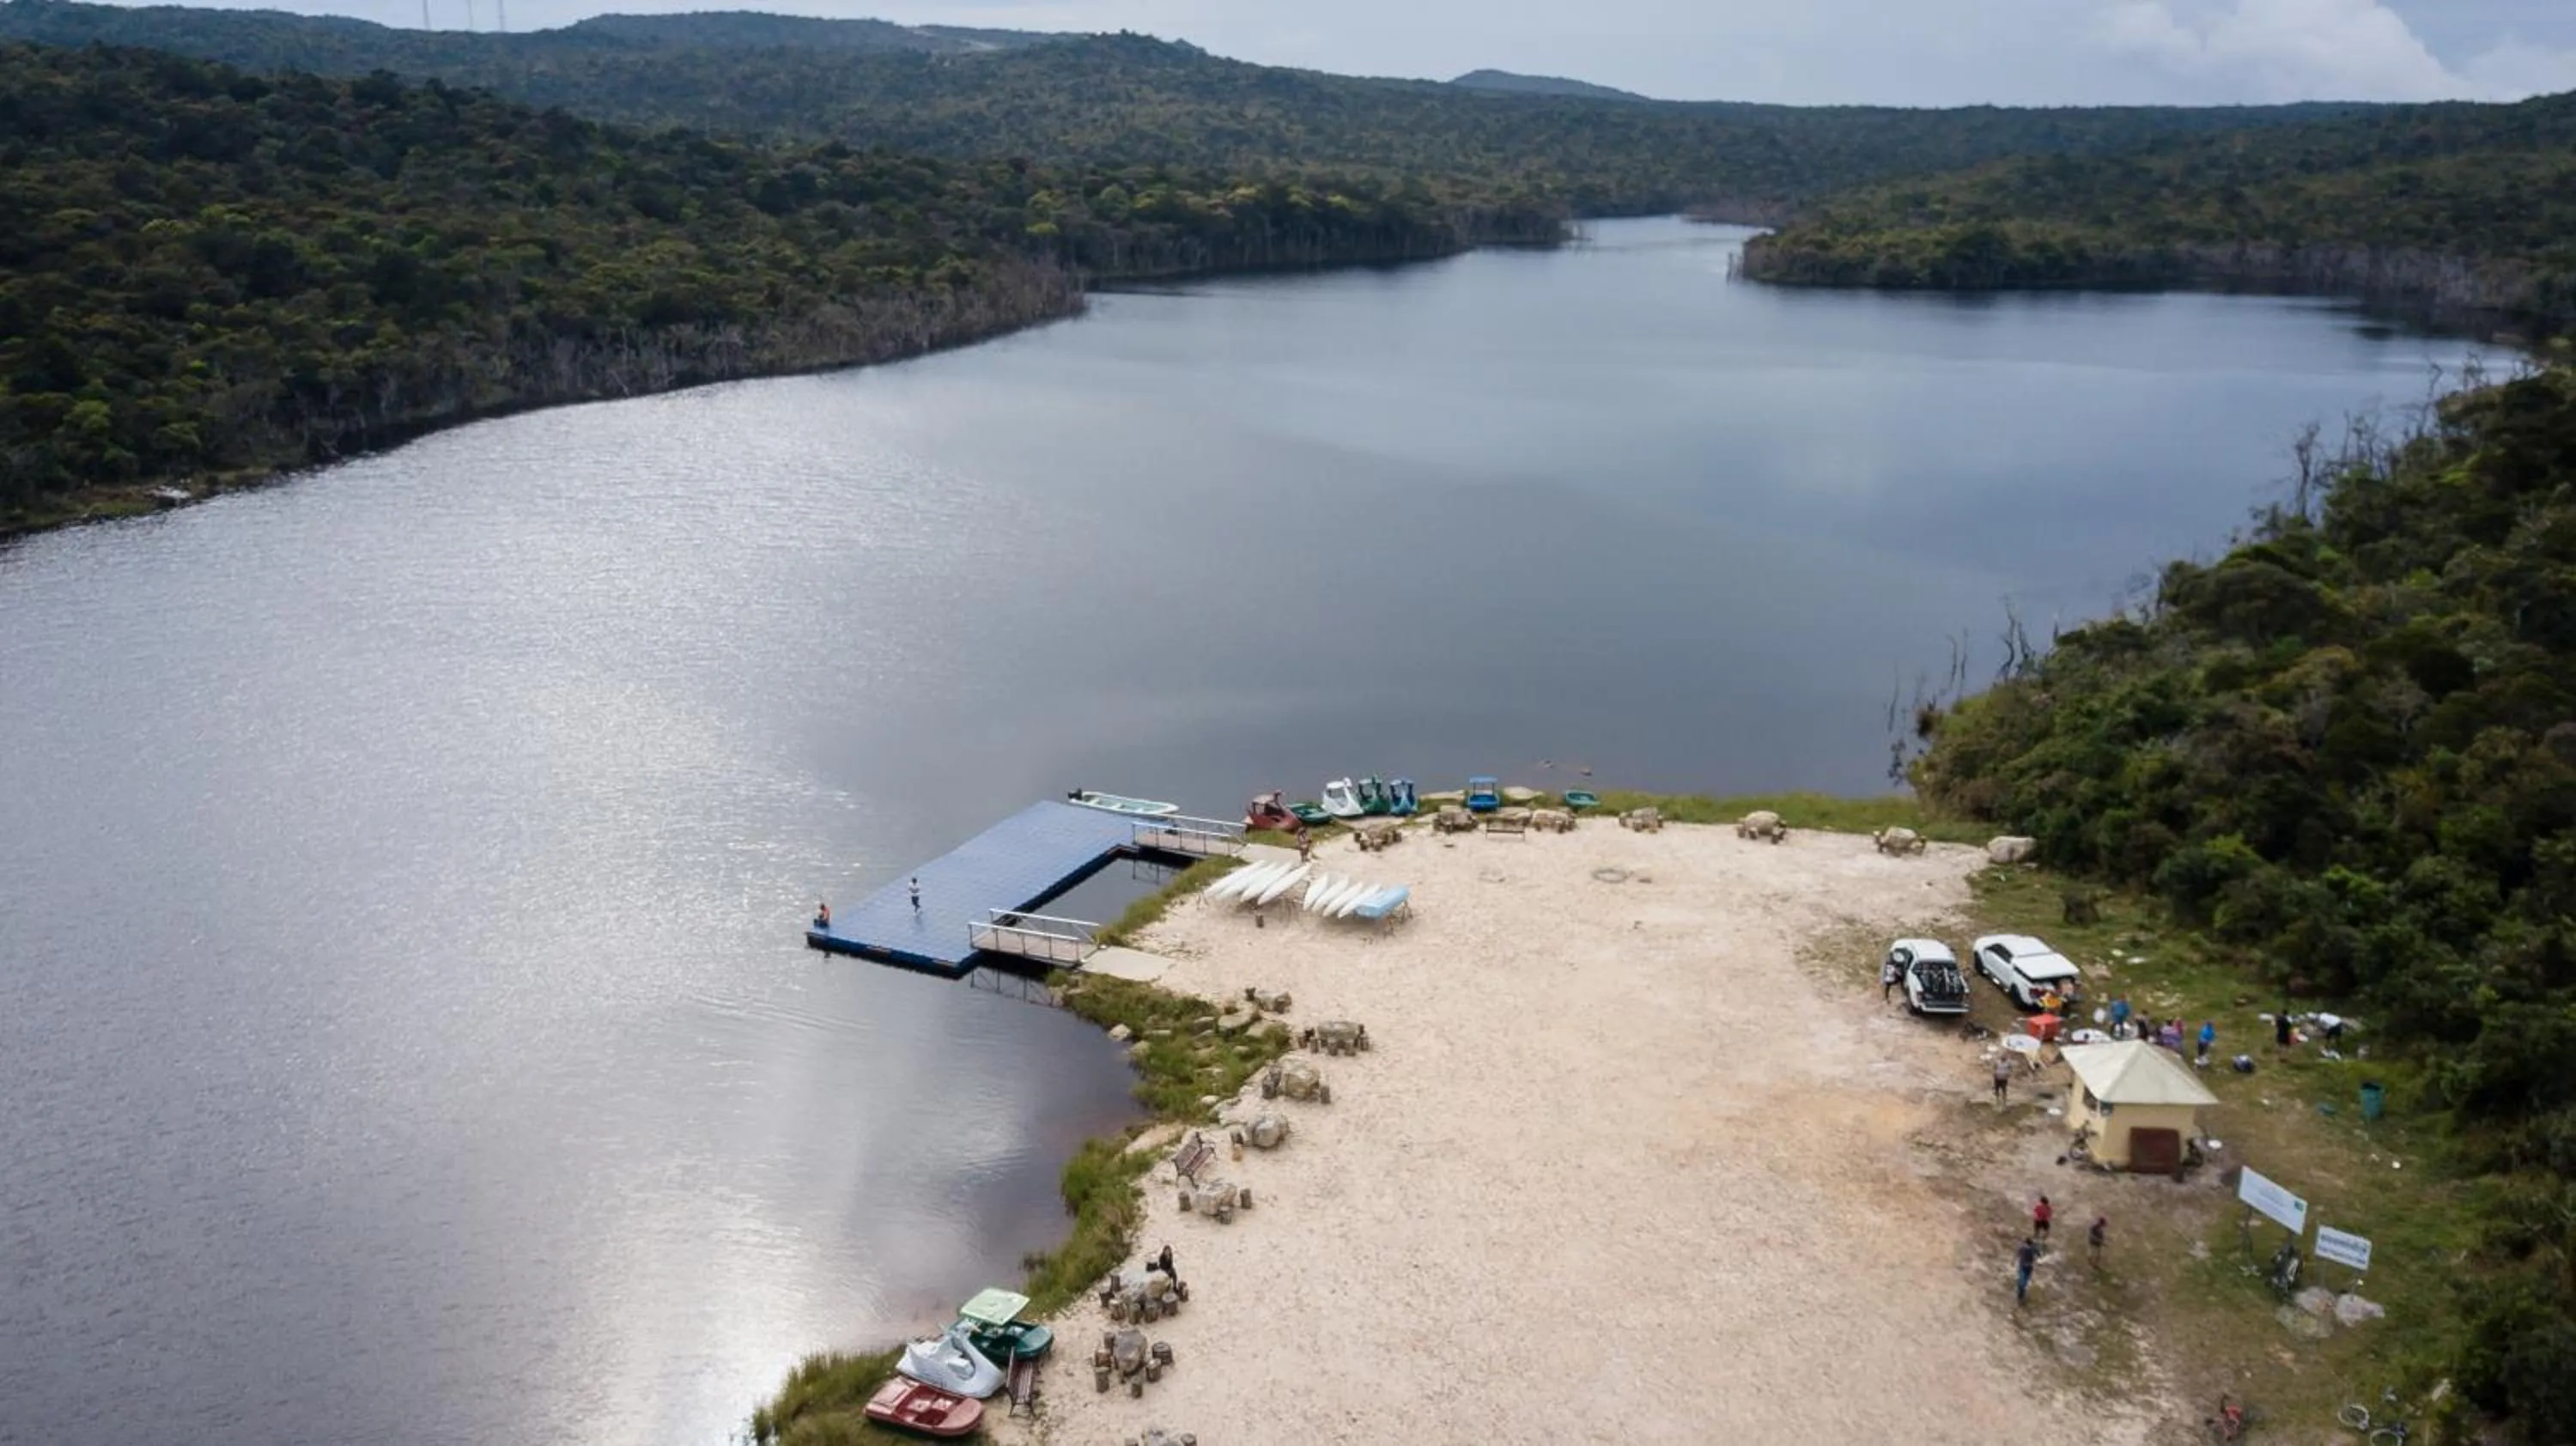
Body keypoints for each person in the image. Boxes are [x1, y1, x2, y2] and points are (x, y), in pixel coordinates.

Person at [2014, 1236, 2040, 1305]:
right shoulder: (2032, 1248)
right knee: (2024, 1283)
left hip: (2023, 1267)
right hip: (2028, 1268)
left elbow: (2017, 1254)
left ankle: (2020, 1297)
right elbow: (2038, 1255)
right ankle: (2021, 1297)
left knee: (2022, 1283)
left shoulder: (2022, 1247)